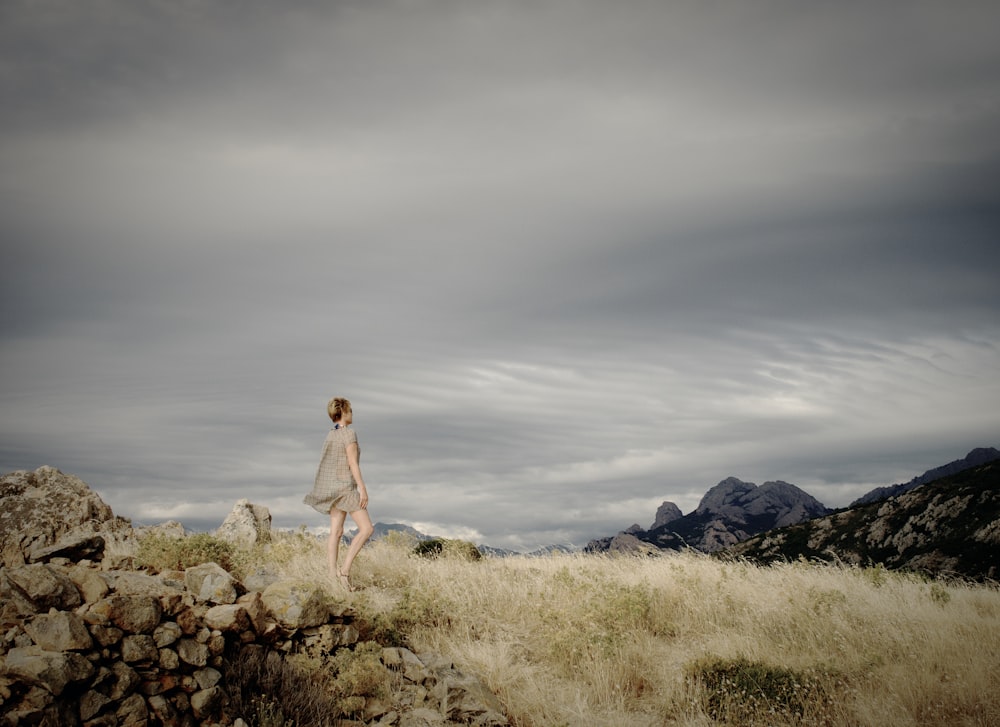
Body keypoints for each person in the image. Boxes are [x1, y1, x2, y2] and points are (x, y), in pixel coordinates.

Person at [304, 396, 375, 591]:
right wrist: (363, 489)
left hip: (332, 489)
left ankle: (331, 576)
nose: (352, 414)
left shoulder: (330, 435)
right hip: (346, 489)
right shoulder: (349, 434)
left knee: (335, 532)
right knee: (367, 529)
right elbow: (353, 464)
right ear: (343, 412)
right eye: (350, 410)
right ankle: (344, 572)